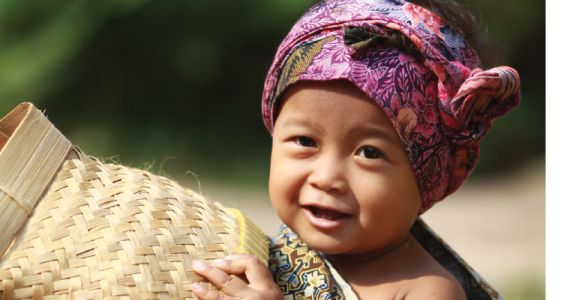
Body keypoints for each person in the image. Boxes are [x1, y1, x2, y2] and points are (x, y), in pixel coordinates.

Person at [190, 0, 520, 299]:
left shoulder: (425, 291)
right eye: (305, 141)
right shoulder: (257, 252)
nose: (327, 178)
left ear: (428, 178)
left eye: (369, 153)